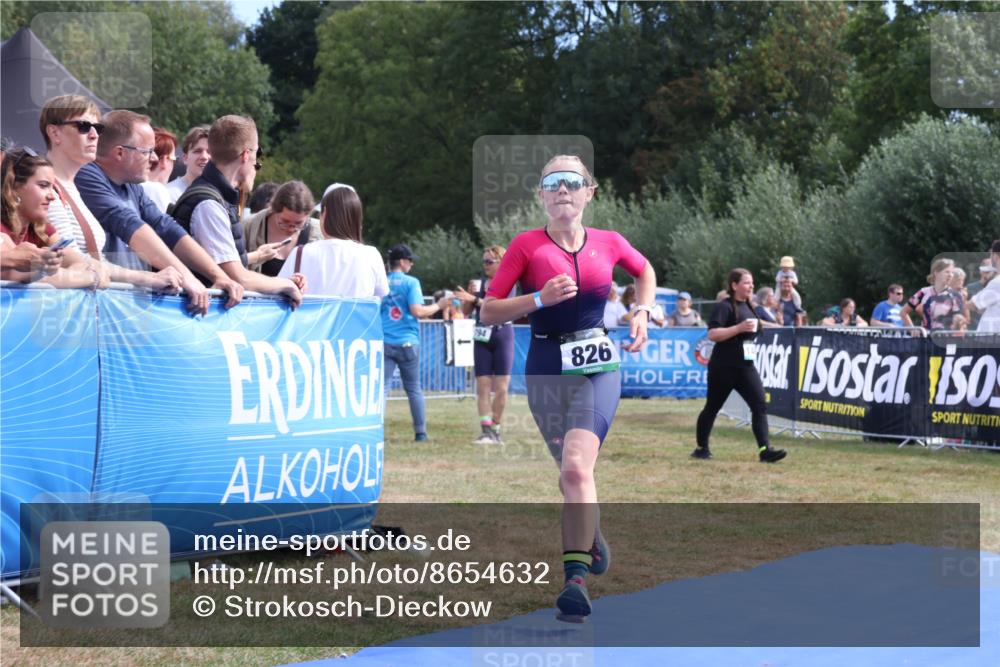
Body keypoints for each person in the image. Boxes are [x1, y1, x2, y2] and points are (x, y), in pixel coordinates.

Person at [479, 155, 655, 623]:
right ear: (541, 195)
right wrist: (538, 298)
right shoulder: (526, 246)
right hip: (545, 368)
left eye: (571, 183)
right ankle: (589, 532)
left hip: (598, 367)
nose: (562, 190)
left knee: (577, 469)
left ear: (588, 192)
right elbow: (488, 311)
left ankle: (574, 581)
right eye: (552, 183)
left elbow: (644, 270)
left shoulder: (610, 242)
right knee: (570, 475)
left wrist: (642, 311)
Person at [75, 110, 244, 314]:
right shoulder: (86, 175)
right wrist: (187, 278)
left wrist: (219, 276)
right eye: (146, 151)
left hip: (123, 306)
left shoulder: (131, 185)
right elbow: (128, 223)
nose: (154, 158)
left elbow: (166, 227)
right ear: (120, 153)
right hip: (100, 310)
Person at [39, 95, 182, 293]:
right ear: (54, 133)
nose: (94, 135)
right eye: (83, 126)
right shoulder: (46, 188)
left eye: (97, 128)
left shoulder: (72, 187)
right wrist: (147, 277)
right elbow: (72, 258)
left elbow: (95, 261)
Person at [169, 114, 303, 307]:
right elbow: (239, 279)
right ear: (246, 155)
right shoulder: (209, 204)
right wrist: (286, 285)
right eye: (257, 153)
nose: (257, 163)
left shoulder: (216, 198)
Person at [693, 268, 786, 464]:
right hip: (723, 367)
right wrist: (738, 328)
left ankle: (765, 450)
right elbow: (713, 334)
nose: (751, 286)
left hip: (746, 367)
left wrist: (775, 326)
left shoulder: (750, 306)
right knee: (712, 407)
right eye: (746, 283)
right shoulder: (724, 306)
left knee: (759, 405)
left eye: (752, 283)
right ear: (734, 285)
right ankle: (702, 448)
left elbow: (756, 324)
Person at [1, 149, 109, 288]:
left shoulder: (41, 227)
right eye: (43, 186)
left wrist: (69, 275)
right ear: (14, 187)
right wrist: (92, 278)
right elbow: (19, 275)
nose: (52, 196)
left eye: (53, 188)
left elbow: (80, 262)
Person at [381, 243, 450, 441]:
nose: (411, 264)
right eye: (410, 261)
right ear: (402, 262)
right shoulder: (411, 282)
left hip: (384, 340)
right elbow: (417, 311)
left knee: (383, 389)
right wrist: (438, 305)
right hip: (408, 341)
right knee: (413, 388)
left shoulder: (382, 282)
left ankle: (376, 431)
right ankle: (420, 433)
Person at [453, 245, 515, 444]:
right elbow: (465, 310)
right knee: (483, 386)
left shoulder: (509, 281)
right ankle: (486, 430)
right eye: (484, 261)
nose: (485, 265)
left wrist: (475, 299)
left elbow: (500, 306)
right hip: (482, 335)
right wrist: (468, 298)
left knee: (502, 387)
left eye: (489, 261)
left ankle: (496, 428)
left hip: (503, 333)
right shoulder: (478, 283)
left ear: (500, 262)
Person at [278, 185, 387, 298]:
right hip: (355, 316)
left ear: (324, 213)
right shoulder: (371, 255)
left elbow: (276, 294)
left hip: (312, 315)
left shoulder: (300, 253)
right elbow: (383, 299)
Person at [244, 180, 321, 276]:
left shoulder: (318, 232)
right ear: (274, 210)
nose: (291, 229)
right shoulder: (250, 226)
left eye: (299, 223)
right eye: (285, 222)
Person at [900, 258, 964, 331]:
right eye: (947, 272)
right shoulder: (923, 292)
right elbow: (903, 312)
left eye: (952, 272)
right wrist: (912, 330)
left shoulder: (956, 295)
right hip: (925, 339)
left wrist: (959, 322)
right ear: (936, 272)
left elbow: (959, 321)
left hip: (945, 339)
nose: (950, 275)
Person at [165, 125, 210, 203]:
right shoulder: (169, 195)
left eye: (210, 152)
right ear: (185, 158)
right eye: (198, 151)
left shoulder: (225, 195)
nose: (204, 156)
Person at [140, 127, 177, 213]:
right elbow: (165, 225)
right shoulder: (157, 190)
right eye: (174, 159)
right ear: (164, 160)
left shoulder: (129, 185)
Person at [971, 240, 1000, 332]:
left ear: (995, 256)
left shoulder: (997, 283)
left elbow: (973, 304)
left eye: (991, 254)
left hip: (992, 337)